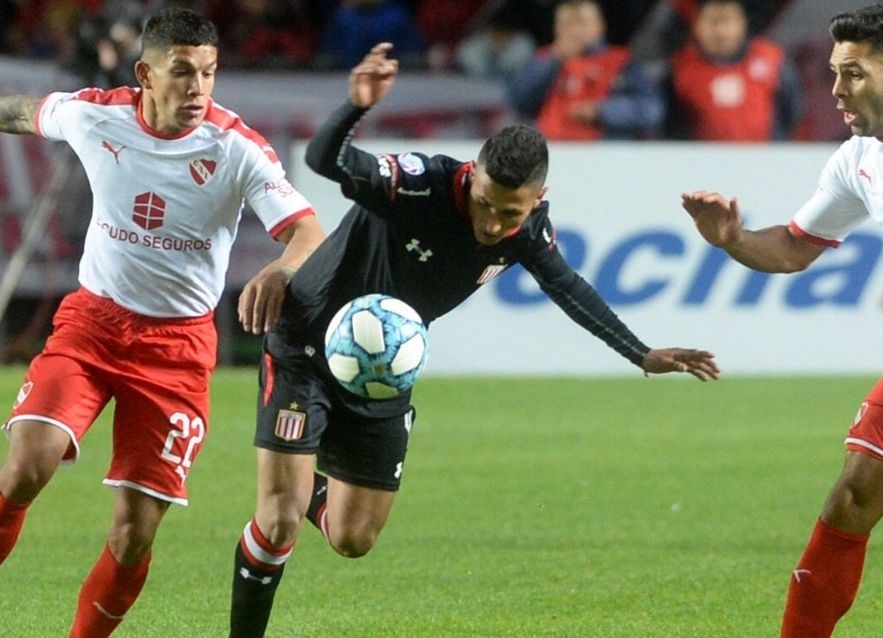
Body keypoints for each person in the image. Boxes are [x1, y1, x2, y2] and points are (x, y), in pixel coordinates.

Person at [228, 41, 720, 638]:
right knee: (278, 522)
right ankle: (276, 519)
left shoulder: (527, 231)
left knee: (352, 538)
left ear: (536, 200)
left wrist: (641, 353)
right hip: (306, 344)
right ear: (474, 174)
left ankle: (298, 474)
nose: (491, 224)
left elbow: (568, 287)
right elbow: (327, 160)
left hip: (384, 372)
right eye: (485, 204)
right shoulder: (418, 184)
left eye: (509, 214)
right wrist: (356, 107)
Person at [0, 8, 325, 637]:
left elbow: (309, 233)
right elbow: (23, 112)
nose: (199, 88)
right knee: (26, 464)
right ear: (146, 74)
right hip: (92, 325)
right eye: (182, 71)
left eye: (209, 72)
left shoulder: (237, 149)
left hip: (176, 351)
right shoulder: (96, 116)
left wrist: (281, 271)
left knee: (133, 532)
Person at [681, 4, 883, 636]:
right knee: (850, 499)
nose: (836, 90)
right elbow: (792, 248)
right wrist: (732, 239)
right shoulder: (858, 158)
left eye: (854, 74)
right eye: (835, 72)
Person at [504, 0, 664, 140]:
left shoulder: (621, 62)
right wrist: (553, 61)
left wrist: (601, 111)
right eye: (567, 23)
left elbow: (651, 109)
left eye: (581, 22)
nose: (575, 30)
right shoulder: (543, 59)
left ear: (599, 26)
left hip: (606, 150)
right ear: (556, 28)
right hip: (551, 148)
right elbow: (517, 103)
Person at [662, 0, 802, 141]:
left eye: (727, 21)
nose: (720, 32)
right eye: (713, 22)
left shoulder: (772, 59)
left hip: (763, 152)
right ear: (696, 25)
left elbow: (791, 110)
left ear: (742, 23)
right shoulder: (679, 69)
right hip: (701, 154)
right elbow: (670, 124)